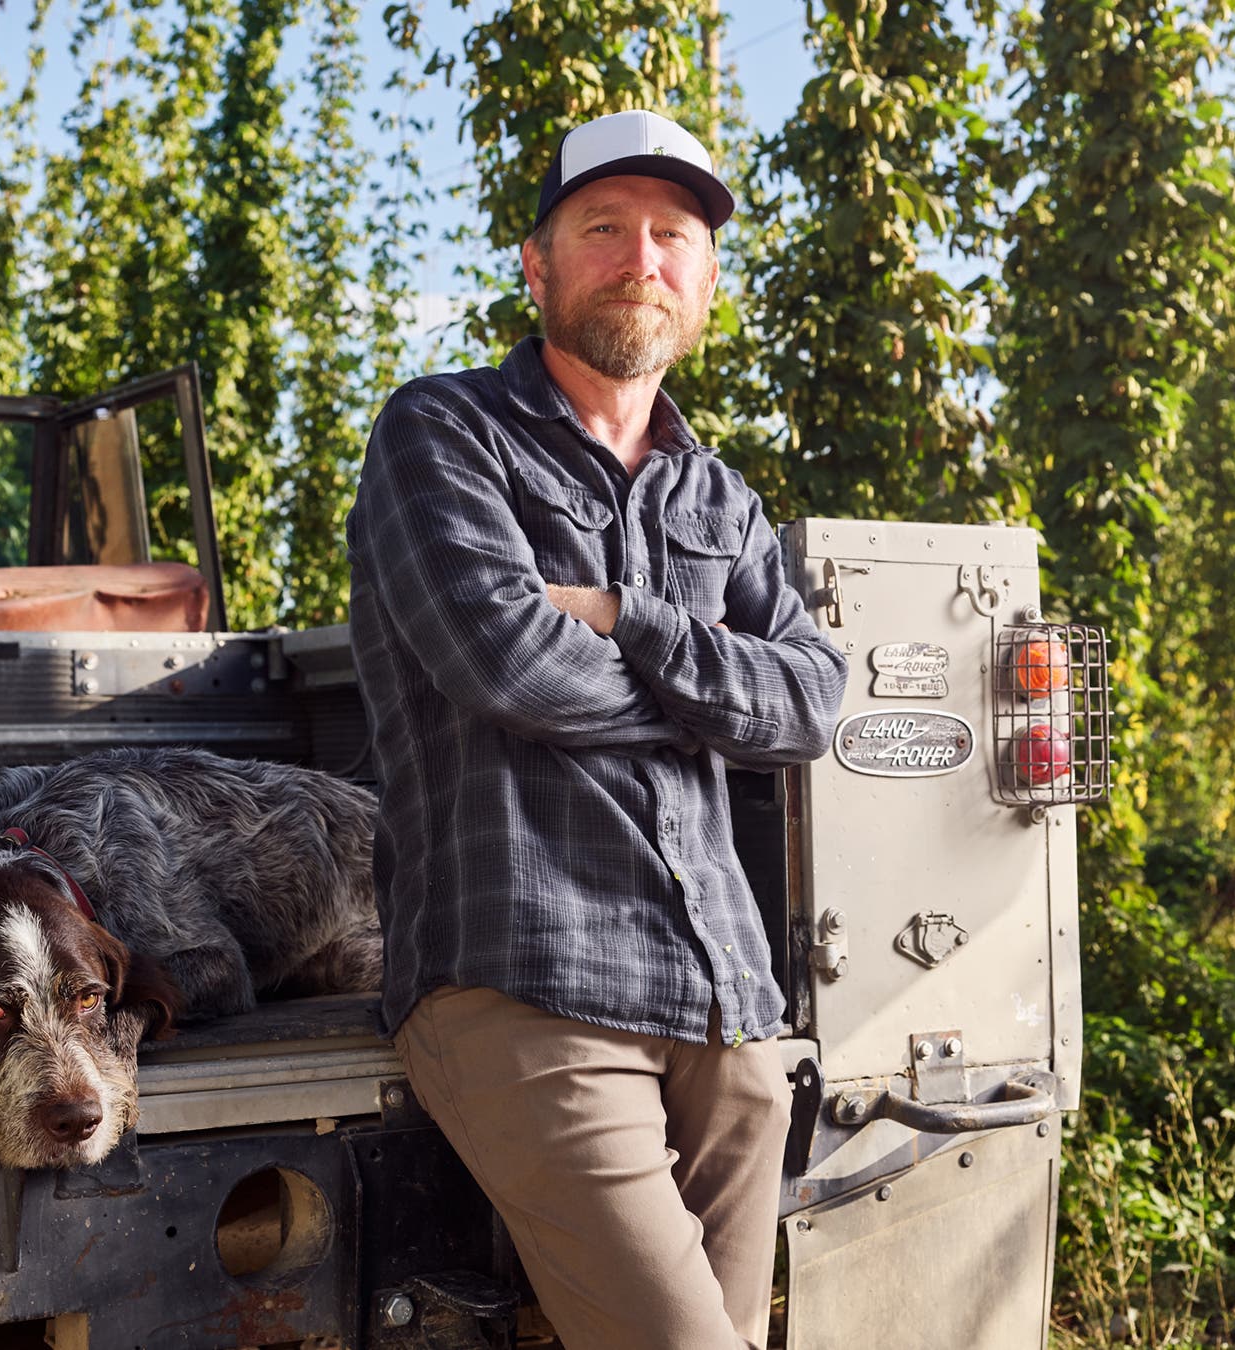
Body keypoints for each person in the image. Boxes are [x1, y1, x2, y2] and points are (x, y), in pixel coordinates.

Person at [345, 109, 848, 1349]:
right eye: (605, 228)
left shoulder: (722, 498)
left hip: (727, 1006)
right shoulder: (441, 434)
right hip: (529, 984)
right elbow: (510, 666)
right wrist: (709, 699)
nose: (642, 259)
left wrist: (627, 618)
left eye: (674, 236)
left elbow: (810, 703)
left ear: (707, 279)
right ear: (539, 265)